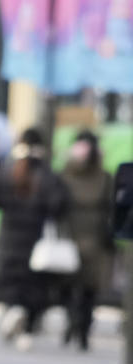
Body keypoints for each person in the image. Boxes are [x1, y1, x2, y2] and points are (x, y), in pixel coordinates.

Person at [0, 128, 70, 351]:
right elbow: (58, 206)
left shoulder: (7, 171)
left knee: (12, 284)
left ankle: (13, 312)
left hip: (10, 238)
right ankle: (27, 327)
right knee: (34, 286)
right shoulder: (48, 175)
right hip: (37, 239)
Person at [59, 130, 114, 350]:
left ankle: (74, 322)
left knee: (71, 286)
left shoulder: (66, 174)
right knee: (89, 288)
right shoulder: (104, 177)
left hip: (71, 236)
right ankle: (82, 327)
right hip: (94, 238)